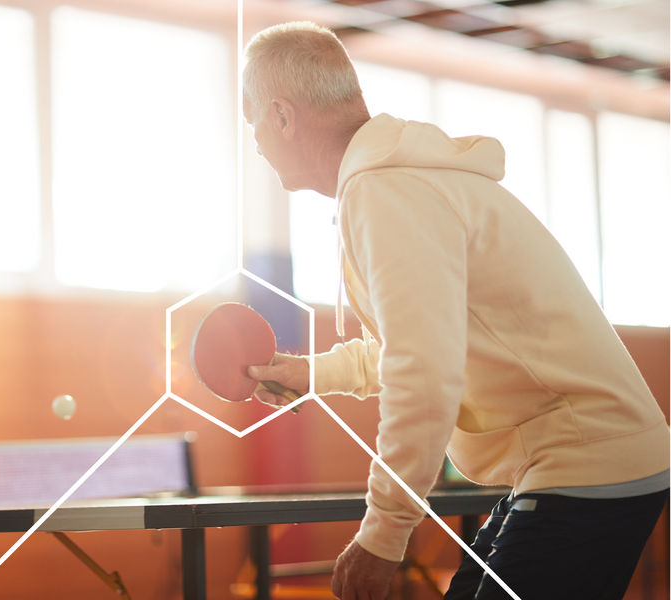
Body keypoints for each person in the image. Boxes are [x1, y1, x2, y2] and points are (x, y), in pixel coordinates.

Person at [242, 21, 671, 600]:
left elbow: (424, 371)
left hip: (584, 459)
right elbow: (423, 345)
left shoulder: (385, 193)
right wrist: (312, 374)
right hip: (574, 460)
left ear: (284, 116)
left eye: (254, 124)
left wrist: (383, 531)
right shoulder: (400, 181)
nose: (256, 143)